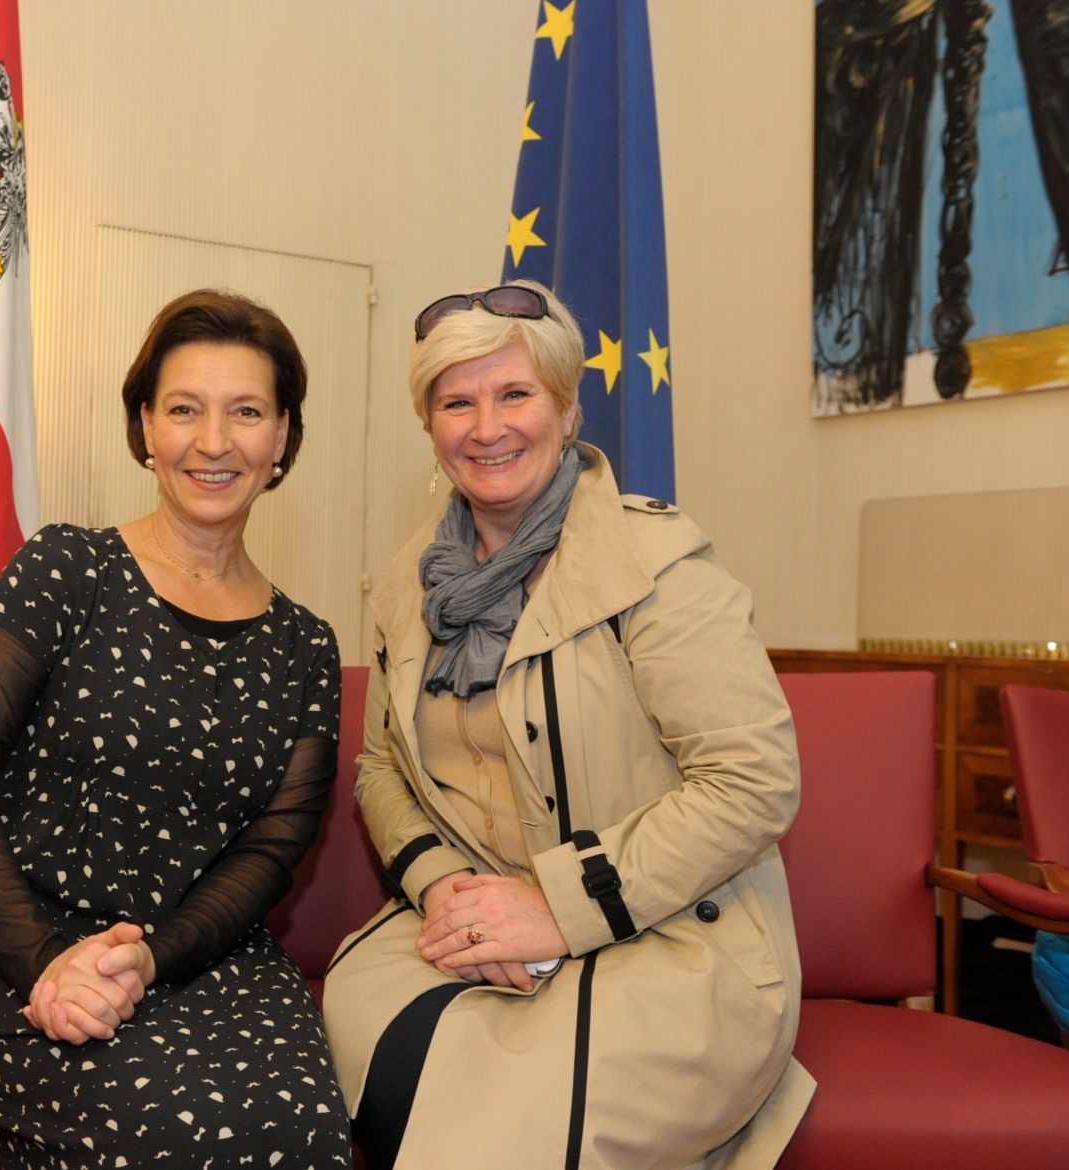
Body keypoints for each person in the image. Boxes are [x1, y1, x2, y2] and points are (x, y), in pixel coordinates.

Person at [322, 281, 814, 1169]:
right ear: (427, 426)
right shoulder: (404, 586)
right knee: (371, 1080)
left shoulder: (657, 566)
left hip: (668, 939)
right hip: (469, 928)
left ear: (567, 405)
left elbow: (753, 781)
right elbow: (380, 770)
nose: (487, 426)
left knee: (484, 1144)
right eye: (455, 401)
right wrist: (443, 893)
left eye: (515, 394)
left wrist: (555, 906)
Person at [0, 289, 354, 1170]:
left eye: (247, 413)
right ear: (145, 425)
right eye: (184, 409)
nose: (213, 442)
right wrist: (45, 963)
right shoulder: (65, 569)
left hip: (207, 959)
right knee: (169, 1134)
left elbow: (271, 849)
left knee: (304, 1137)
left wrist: (152, 958)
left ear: (284, 438)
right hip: (14, 945)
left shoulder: (307, 646)